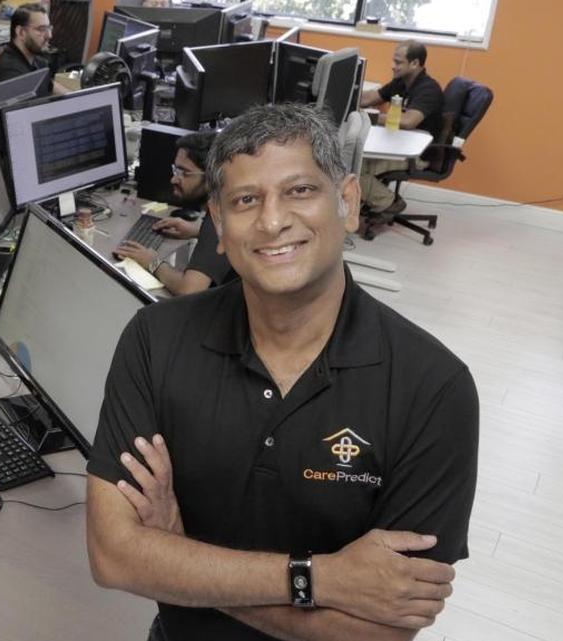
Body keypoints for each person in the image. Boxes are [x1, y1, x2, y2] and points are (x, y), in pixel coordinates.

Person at [87, 104, 478, 641]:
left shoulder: (434, 388)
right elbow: (114, 557)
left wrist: (177, 555)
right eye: (247, 200)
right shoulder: (154, 338)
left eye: (299, 191)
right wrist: (321, 579)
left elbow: (379, 633)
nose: (272, 221)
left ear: (347, 202)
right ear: (219, 226)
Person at [114, 132, 235, 296]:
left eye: (184, 173)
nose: (174, 180)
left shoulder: (219, 218)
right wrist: (197, 232)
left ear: (212, 178)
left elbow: (189, 290)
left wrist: (152, 262)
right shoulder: (228, 205)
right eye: (176, 170)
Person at [357, 41, 444, 214]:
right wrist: (343, 96)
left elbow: (408, 121)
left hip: (416, 154)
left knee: (350, 165)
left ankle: (389, 202)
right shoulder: (401, 83)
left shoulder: (428, 89)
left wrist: (369, 117)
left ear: (415, 63)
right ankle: (370, 196)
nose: (392, 66)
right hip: (398, 145)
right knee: (350, 156)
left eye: (398, 62)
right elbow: (370, 98)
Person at [0, 3, 69, 97]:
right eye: (41, 29)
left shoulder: (35, 59)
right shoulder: (11, 74)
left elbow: (49, 85)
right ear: (21, 32)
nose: (49, 35)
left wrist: (76, 98)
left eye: (49, 28)